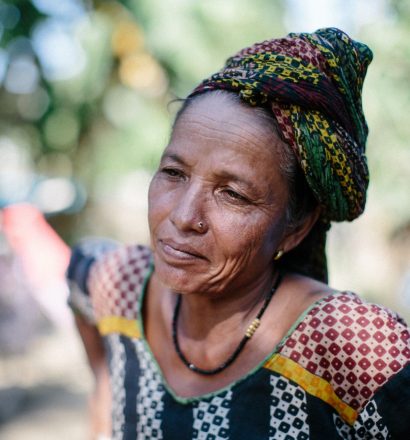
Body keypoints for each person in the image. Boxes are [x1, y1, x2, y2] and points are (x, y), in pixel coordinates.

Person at [67, 28, 410, 439]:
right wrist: (104, 403)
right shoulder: (120, 287)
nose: (183, 215)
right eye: (173, 173)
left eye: (232, 194)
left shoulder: (354, 348)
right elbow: (79, 274)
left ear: (296, 227)